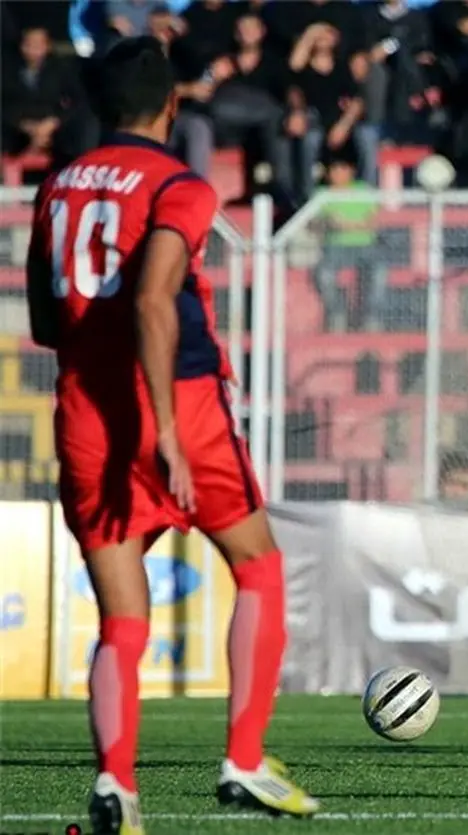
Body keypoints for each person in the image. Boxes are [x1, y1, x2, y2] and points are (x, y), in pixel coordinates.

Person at [23, 37, 318, 835]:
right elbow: (156, 299)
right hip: (176, 400)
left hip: (84, 409)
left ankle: (116, 786)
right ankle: (245, 760)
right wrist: (168, 435)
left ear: (97, 104)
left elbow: (46, 321)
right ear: (171, 105)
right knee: (257, 564)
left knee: (122, 616)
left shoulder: (57, 187)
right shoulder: (178, 185)